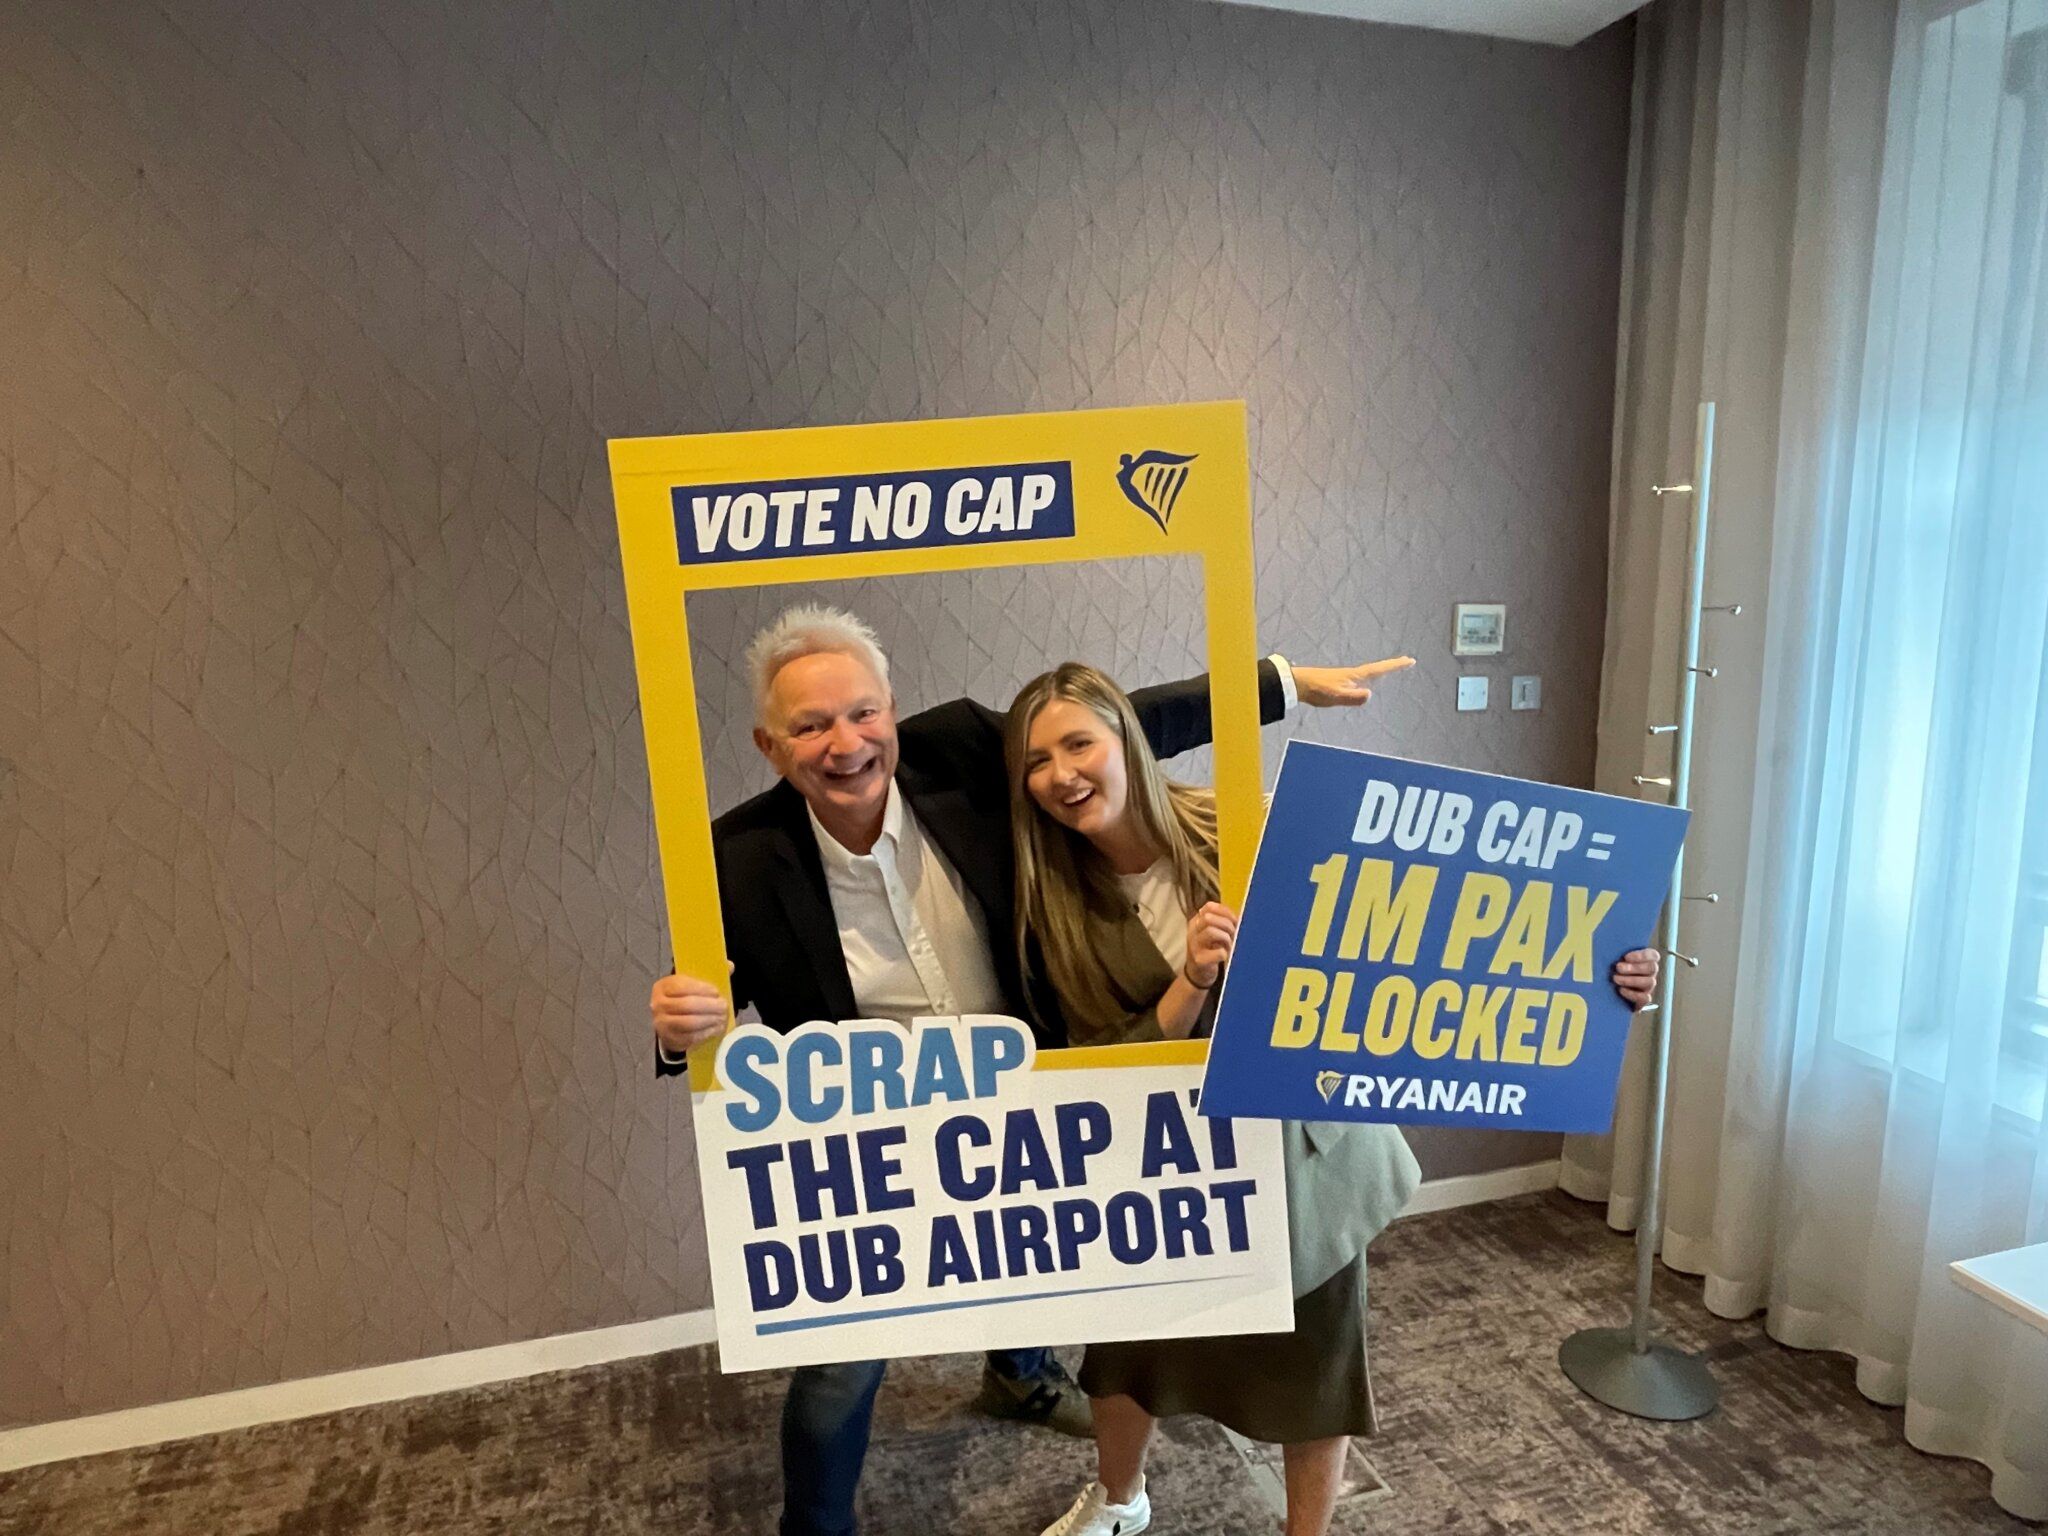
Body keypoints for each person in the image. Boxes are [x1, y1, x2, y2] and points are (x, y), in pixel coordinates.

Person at [649, 606, 1414, 1536]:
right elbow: (705, 1001)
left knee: (1041, 1265)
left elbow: (1115, 722)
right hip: (881, 1127)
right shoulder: (734, 858)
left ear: (892, 708)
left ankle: (1018, 1376)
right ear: (770, 746)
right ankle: (815, 1527)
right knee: (841, 1360)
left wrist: (1281, 683)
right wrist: (681, 1028)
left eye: (861, 713)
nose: (845, 744)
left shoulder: (960, 751)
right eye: (810, 726)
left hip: (1024, 1100)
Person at [1002, 662, 1662, 1536]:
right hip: (1167, 1168)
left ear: (1128, 740)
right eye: (1036, 761)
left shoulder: (1248, 825)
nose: (1061, 774)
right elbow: (1097, 1062)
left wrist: (1602, 974)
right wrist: (1189, 987)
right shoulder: (1048, 902)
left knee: (1315, 1363)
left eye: (1077, 743)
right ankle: (1121, 1500)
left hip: (1300, 1150)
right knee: (1125, 1350)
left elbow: (1432, 929)